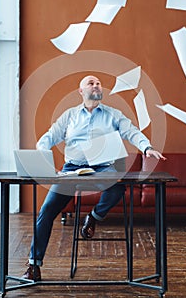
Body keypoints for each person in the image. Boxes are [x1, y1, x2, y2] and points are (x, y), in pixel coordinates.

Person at [22, 75, 166, 280]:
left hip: (103, 168)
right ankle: (33, 266)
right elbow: (48, 137)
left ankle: (94, 217)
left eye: (98, 83)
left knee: (117, 189)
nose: (96, 85)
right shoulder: (69, 115)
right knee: (46, 211)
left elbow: (132, 132)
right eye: (91, 83)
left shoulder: (113, 115)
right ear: (81, 91)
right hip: (72, 169)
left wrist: (147, 147)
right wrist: (43, 158)